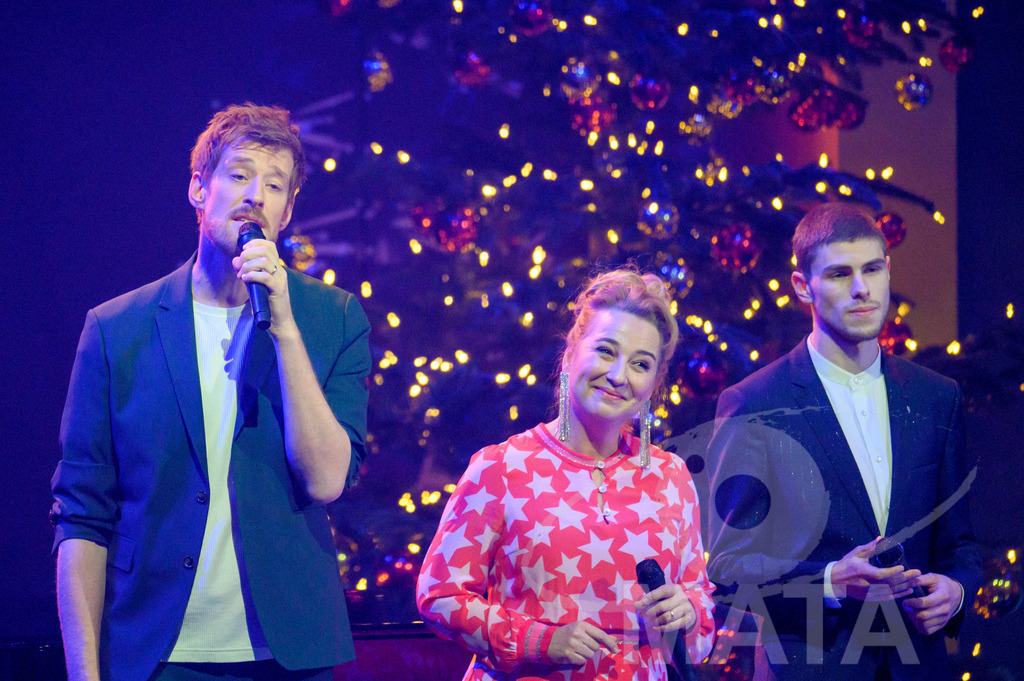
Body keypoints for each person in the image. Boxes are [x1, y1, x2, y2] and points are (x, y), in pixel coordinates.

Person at [50, 103, 371, 681]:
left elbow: (325, 480)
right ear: (199, 189)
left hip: (288, 655)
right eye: (240, 175)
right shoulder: (117, 328)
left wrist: (286, 330)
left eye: (275, 185)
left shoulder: (333, 319)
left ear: (288, 211)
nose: (256, 196)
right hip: (158, 651)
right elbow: (81, 514)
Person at [705, 202, 981, 679]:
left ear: (888, 270)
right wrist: (831, 581)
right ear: (801, 286)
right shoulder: (753, 404)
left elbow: (960, 546)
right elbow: (728, 570)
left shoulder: (937, 397)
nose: (861, 289)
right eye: (838, 274)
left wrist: (956, 591)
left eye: (872, 269)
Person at [417, 269, 715, 681]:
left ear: (655, 383)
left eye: (640, 364)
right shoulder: (502, 466)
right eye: (606, 351)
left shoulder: (671, 476)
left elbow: (699, 621)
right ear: (573, 350)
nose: (618, 376)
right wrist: (536, 639)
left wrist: (688, 613)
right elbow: (440, 595)